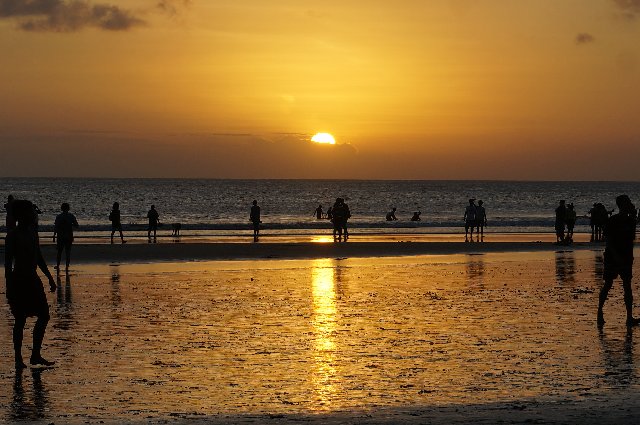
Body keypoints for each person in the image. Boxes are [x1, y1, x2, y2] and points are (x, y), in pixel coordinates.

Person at [5, 200, 57, 369]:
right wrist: (9, 286)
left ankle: (35, 354)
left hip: (34, 279)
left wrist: (49, 277)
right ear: (22, 215)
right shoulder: (12, 236)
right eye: (31, 212)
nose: (34, 215)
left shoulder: (33, 233)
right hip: (19, 280)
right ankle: (18, 358)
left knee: (44, 315)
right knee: (20, 320)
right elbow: (7, 264)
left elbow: (39, 257)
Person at [598, 195, 640, 327]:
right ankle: (599, 311)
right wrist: (615, 256)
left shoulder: (630, 221)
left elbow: (631, 238)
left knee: (627, 286)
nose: (630, 205)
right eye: (627, 203)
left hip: (626, 257)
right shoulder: (613, 220)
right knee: (608, 284)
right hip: (612, 257)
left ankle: (629, 317)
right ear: (622, 205)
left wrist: (634, 216)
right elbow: (609, 240)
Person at [53, 203, 79, 272]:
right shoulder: (71, 216)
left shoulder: (59, 217)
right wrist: (70, 224)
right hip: (69, 236)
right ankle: (67, 266)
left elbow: (56, 227)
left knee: (59, 252)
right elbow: (77, 225)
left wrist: (54, 235)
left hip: (60, 236)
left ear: (61, 208)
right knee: (68, 252)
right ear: (68, 208)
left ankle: (58, 265)